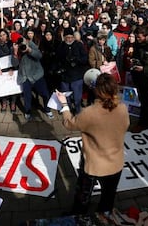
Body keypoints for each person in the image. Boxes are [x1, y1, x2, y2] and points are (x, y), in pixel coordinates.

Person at [55, 73, 129, 215]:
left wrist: (64, 104)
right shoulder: (123, 108)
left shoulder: (89, 113)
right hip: (116, 163)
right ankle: (104, 217)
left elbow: (69, 124)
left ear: (96, 91)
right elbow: (125, 126)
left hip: (93, 164)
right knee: (108, 197)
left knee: (83, 195)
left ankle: (79, 215)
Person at [15, 35, 54, 121]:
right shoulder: (16, 48)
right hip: (25, 77)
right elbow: (14, 64)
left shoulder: (31, 44)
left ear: (25, 39)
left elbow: (39, 56)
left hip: (37, 75)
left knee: (45, 94)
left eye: (23, 40)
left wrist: (29, 50)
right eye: (19, 41)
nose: (22, 43)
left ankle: (47, 109)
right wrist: (15, 52)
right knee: (27, 96)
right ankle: (28, 112)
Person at [56, 28, 88, 114]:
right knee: (66, 98)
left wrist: (76, 60)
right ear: (65, 37)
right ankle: (68, 112)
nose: (69, 39)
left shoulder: (79, 45)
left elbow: (85, 59)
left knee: (77, 99)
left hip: (77, 76)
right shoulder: (61, 46)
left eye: (71, 37)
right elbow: (57, 59)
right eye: (67, 37)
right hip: (65, 76)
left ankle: (78, 112)